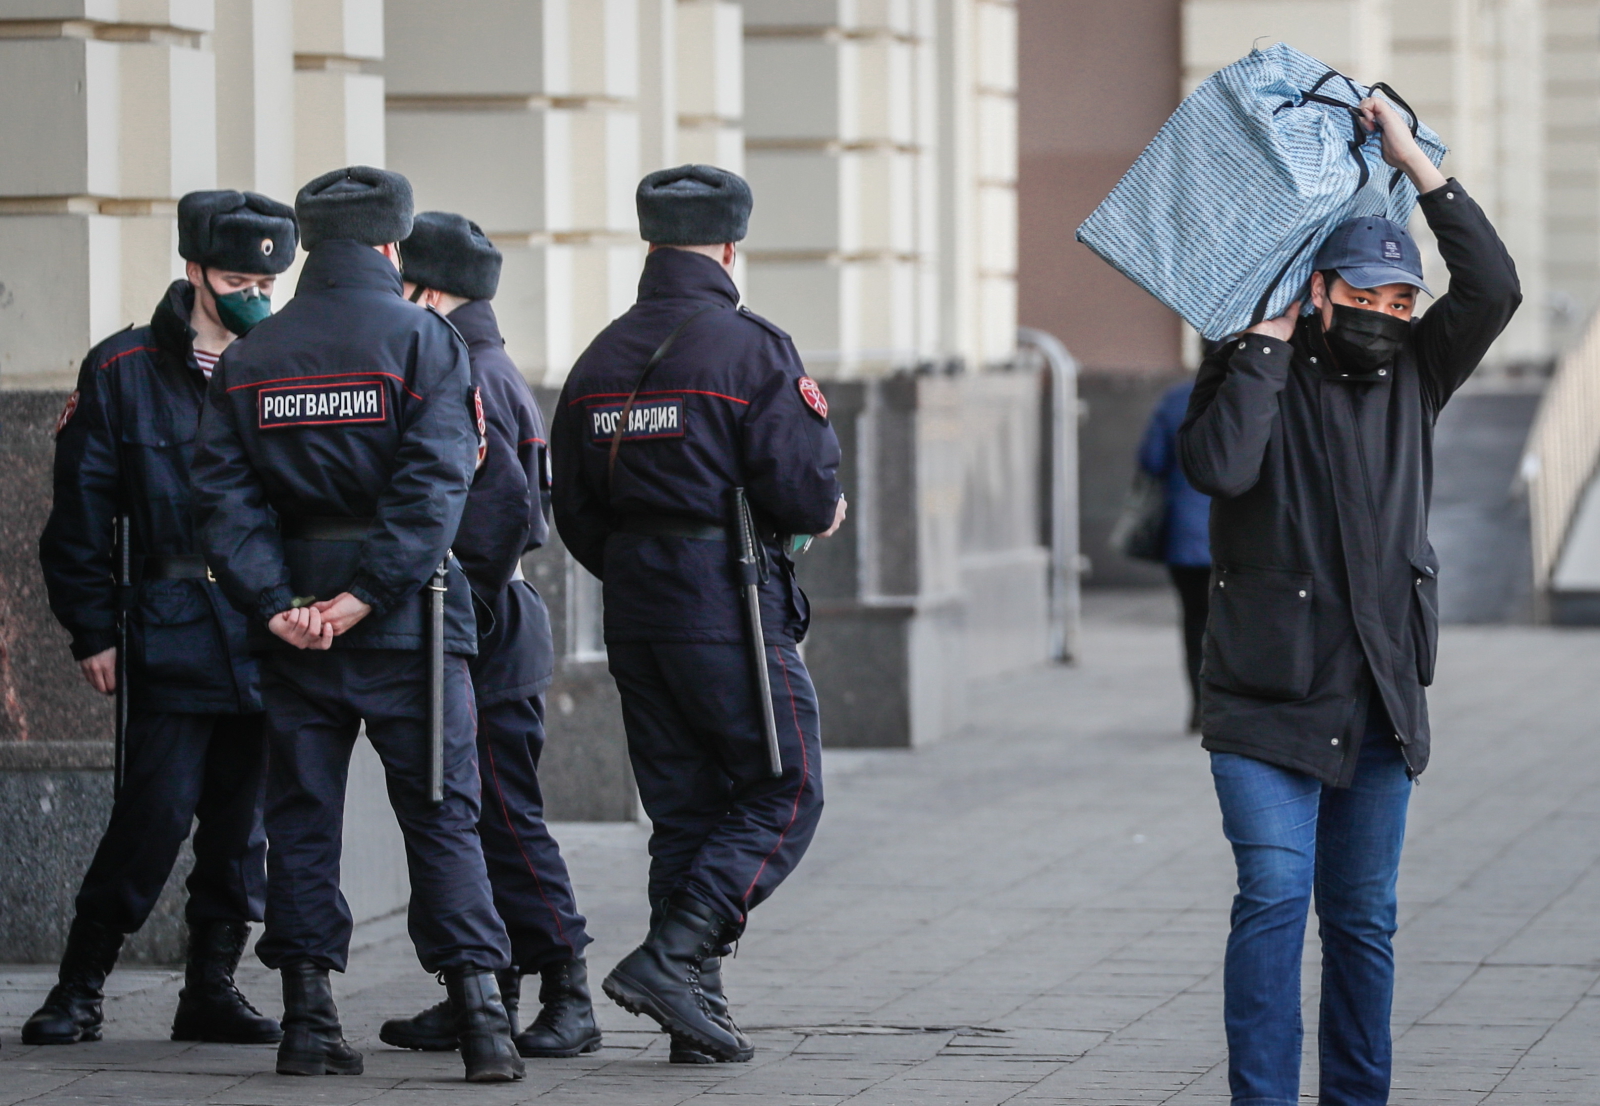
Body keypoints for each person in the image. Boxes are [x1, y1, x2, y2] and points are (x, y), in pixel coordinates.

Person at [1178, 97, 1521, 1105]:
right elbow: (1220, 467)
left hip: (1377, 701)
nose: (1385, 313)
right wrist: (1262, 342)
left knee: (1364, 919)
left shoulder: (1417, 375)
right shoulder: (1250, 368)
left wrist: (1414, 161)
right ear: (1318, 288)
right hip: (1263, 695)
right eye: (1365, 294)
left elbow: (1493, 284)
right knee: (1275, 895)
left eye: (1399, 299)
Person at [191, 167, 523, 1084]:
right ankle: (484, 1024)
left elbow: (224, 502)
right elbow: (436, 487)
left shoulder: (254, 357)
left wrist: (279, 604)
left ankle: (307, 1021)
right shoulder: (425, 340)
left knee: (300, 822)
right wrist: (369, 594)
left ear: (308, 246)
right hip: (409, 621)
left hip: (296, 625)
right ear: (390, 248)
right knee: (443, 815)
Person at [551, 164, 846, 1063]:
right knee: (786, 788)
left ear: (651, 243)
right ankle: (674, 960)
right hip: (727, 595)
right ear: (729, 245)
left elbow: (572, 506)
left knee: (683, 808)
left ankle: (694, 1009)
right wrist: (818, 514)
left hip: (635, 601)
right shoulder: (751, 347)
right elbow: (802, 486)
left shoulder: (598, 353)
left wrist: (641, 564)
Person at [30, 191, 295, 1048]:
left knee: (239, 829)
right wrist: (94, 629)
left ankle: (210, 989)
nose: (252, 293)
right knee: (150, 816)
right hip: (170, 625)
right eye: (235, 277)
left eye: (265, 278)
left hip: (264, 627)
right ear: (193, 271)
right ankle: (80, 986)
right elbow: (77, 517)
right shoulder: (123, 369)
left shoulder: (289, 363)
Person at [378, 212, 601, 1059]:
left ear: (429, 293)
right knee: (466, 810)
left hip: (482, 618)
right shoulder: (480, 360)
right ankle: (487, 986)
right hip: (484, 613)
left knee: (504, 816)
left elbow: (499, 514)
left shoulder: (465, 367)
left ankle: (566, 989)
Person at [1135, 377, 1212, 732]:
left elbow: (1152, 460)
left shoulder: (1176, 398)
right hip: (1248, 536)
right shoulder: (1270, 387)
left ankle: (1199, 706)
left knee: (1195, 621)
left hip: (1187, 535)